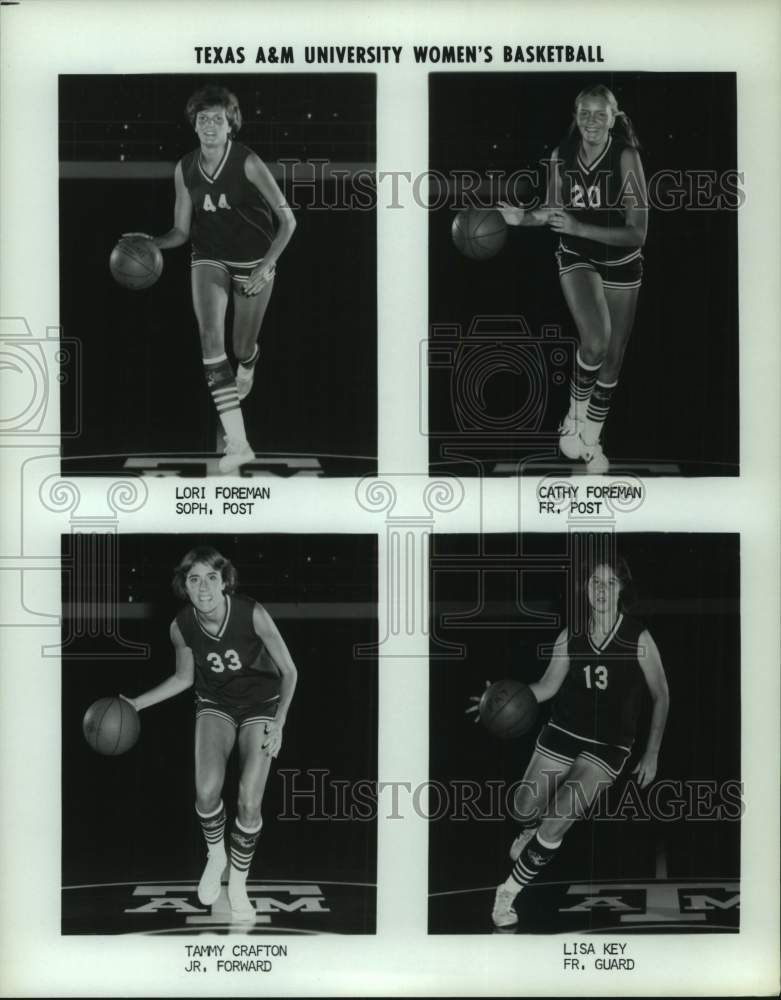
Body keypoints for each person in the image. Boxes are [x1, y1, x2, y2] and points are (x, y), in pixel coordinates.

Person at [468, 556, 669, 929]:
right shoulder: (570, 635)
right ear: (586, 590)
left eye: (610, 583)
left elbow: (662, 695)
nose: (602, 589)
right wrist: (496, 699)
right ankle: (528, 828)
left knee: (558, 820)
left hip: (607, 747)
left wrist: (652, 751)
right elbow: (545, 687)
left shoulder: (637, 636)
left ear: (622, 589)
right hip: (563, 731)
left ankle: (508, 892)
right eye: (595, 582)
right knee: (522, 807)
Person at [121, 86, 297, 474]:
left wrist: (267, 266)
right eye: (203, 119)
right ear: (194, 125)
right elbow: (181, 231)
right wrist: (152, 242)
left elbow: (288, 221)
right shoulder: (184, 168)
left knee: (241, 345)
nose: (210, 125)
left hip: (255, 261)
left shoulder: (248, 162)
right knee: (209, 340)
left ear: (231, 124)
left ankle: (250, 360)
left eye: (218, 119)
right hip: (209, 257)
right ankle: (239, 442)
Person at [121, 546, 298, 922]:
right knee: (205, 792)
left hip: (261, 706)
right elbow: (184, 679)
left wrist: (280, 721)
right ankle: (215, 853)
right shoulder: (181, 626)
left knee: (250, 799)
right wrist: (136, 704)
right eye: (194, 579)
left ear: (225, 581)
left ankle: (238, 883)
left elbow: (290, 672)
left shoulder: (253, 613)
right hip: (215, 703)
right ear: (184, 585)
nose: (203, 587)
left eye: (211, 578)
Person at [499, 84, 648, 473]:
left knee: (613, 360)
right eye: (585, 113)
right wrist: (523, 219)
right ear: (576, 115)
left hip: (623, 259)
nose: (592, 121)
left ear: (613, 117)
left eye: (601, 114)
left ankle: (590, 439)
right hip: (577, 255)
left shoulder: (626, 156)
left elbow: (638, 233)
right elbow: (551, 211)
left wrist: (580, 226)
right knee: (595, 343)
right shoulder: (559, 157)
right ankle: (573, 416)